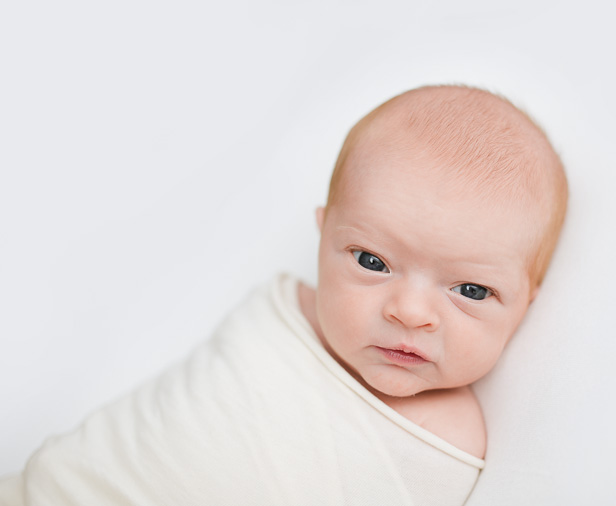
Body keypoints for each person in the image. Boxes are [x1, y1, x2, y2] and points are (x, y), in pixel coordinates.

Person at [0, 85, 567, 506]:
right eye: (372, 261)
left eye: (470, 290)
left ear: (526, 302)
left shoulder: (448, 439)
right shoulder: (279, 318)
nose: (410, 312)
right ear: (323, 237)